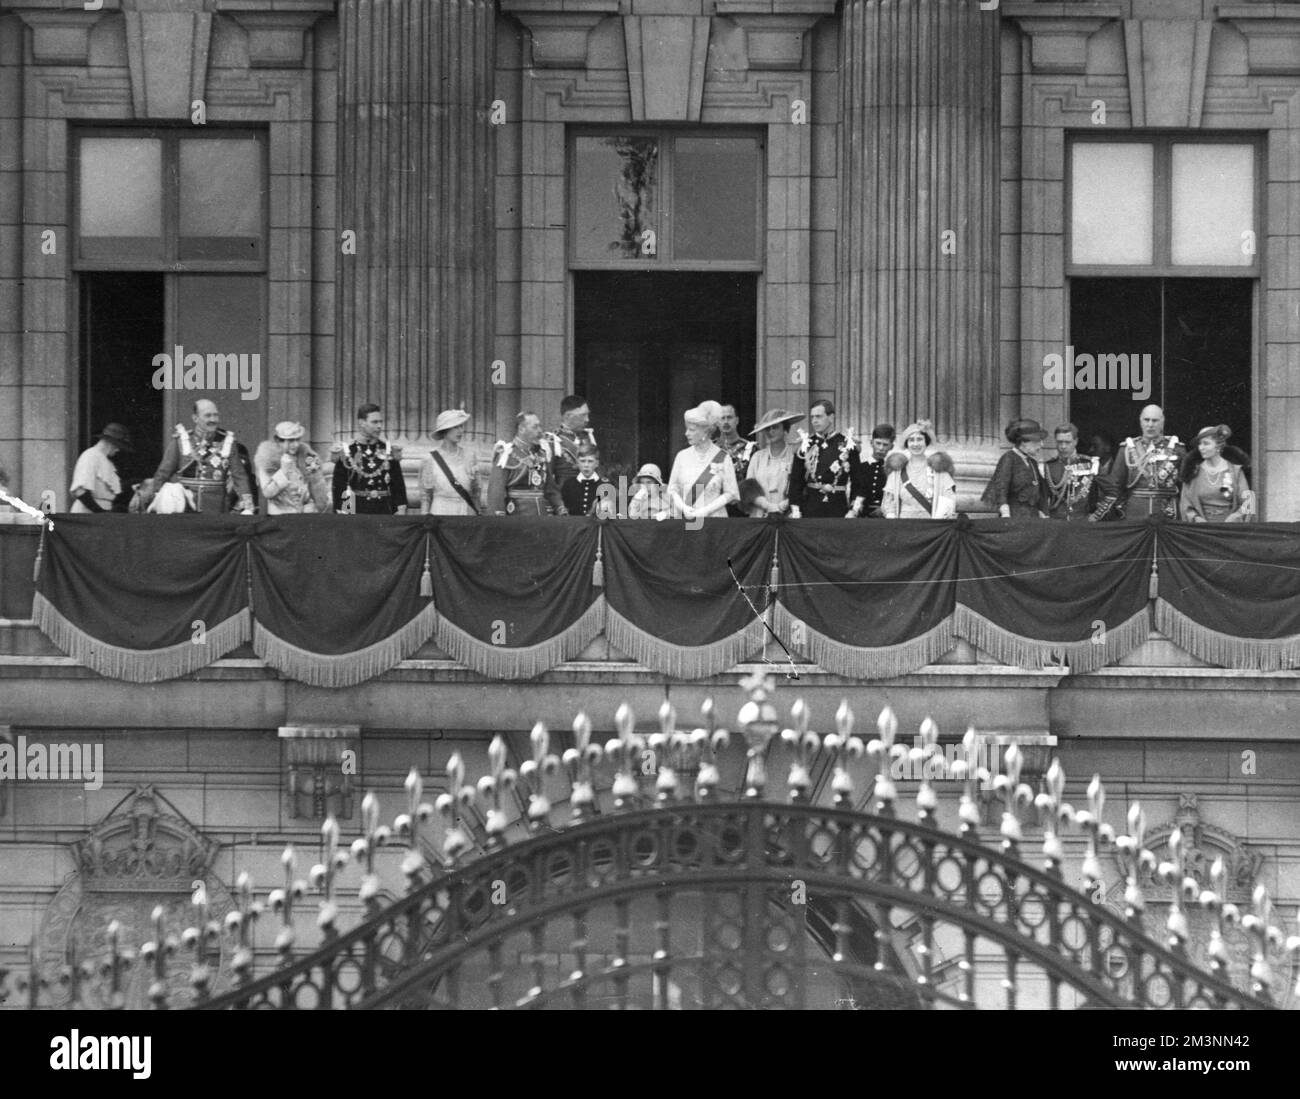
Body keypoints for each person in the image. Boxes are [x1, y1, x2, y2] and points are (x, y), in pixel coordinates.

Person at [138, 400, 254, 514]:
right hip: (185, 508)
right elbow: (162, 474)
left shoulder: (227, 442)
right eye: (208, 416)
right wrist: (158, 500)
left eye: (215, 415)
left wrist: (248, 506)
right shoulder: (181, 441)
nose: (213, 419)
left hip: (216, 509)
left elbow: (239, 476)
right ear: (195, 418)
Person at [1090, 405, 1185, 521]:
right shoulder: (1127, 449)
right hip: (1135, 512)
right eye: (1146, 420)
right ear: (1140, 421)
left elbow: (1185, 486)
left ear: (1162, 422)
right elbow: (1115, 486)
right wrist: (1117, 509)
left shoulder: (1177, 449)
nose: (1150, 424)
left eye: (1155, 420)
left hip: (1167, 512)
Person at [666, 401, 740, 521]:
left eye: (691, 430)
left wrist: (705, 511)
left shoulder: (723, 457)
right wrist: (684, 508)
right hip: (687, 519)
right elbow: (672, 490)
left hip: (715, 521)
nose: (686, 433)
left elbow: (731, 493)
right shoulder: (682, 456)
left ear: (705, 432)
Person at [788, 400, 864, 518]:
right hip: (810, 510)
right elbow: (795, 483)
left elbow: (859, 484)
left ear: (831, 417)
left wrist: (854, 510)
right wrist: (796, 510)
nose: (814, 421)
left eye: (818, 416)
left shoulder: (848, 444)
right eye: (812, 417)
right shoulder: (805, 445)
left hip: (840, 511)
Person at [332, 403, 407, 515]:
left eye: (381, 422)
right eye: (375, 422)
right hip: (357, 514)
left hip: (385, 512)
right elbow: (341, 487)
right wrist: (345, 516)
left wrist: (400, 510)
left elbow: (398, 486)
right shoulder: (347, 451)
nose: (379, 426)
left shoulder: (388, 450)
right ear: (362, 423)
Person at [488, 411, 568, 516]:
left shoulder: (542, 454)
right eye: (535, 427)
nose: (540, 430)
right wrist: (498, 518)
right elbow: (496, 492)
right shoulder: (506, 454)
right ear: (521, 429)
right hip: (517, 517)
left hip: (542, 516)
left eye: (540, 426)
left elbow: (550, 488)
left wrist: (560, 508)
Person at [1179, 424, 1255, 523]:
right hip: (1200, 530)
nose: (1201, 448)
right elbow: (1185, 504)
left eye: (1206, 443)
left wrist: (1235, 518)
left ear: (1218, 446)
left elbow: (1249, 503)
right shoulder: (1192, 472)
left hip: (1229, 530)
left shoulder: (1236, 471)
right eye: (1199, 444)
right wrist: (1196, 519)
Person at [881, 420, 957, 519]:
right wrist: (892, 518)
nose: (915, 444)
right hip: (904, 526)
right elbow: (888, 501)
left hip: (930, 526)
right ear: (907, 444)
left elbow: (948, 499)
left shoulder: (938, 470)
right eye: (911, 440)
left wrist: (938, 522)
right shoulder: (897, 471)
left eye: (919, 439)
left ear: (926, 442)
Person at [254, 422, 330, 515]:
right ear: (279, 441)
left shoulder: (306, 457)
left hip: (302, 517)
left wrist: (313, 505)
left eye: (297, 440)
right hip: (279, 516)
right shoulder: (267, 459)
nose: (296, 444)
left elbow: (315, 488)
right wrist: (283, 472)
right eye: (291, 441)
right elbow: (268, 493)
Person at [739, 408, 803, 517]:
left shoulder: (795, 455)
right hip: (759, 516)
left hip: (787, 516)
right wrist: (767, 506)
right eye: (767, 428)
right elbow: (748, 488)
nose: (770, 432)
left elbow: (800, 486)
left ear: (785, 430)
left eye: (775, 427)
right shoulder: (757, 457)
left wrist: (784, 505)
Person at [982, 419, 1048, 519]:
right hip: (1015, 518)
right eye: (1037, 441)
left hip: (1033, 518)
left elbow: (1039, 493)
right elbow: (1001, 489)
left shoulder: (1032, 463)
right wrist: (1006, 516)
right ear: (1024, 442)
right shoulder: (1009, 459)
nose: (1041, 445)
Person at [419, 409, 481, 515]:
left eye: (461, 426)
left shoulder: (470, 456)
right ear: (445, 430)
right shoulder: (430, 459)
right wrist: (425, 521)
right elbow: (426, 496)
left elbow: (476, 492)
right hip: (440, 513)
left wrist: (476, 515)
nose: (461, 431)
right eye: (456, 427)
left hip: (465, 513)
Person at [1042, 423, 1100, 522]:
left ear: (1076, 441)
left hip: (1083, 520)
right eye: (1059, 442)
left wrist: (1096, 514)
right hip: (1056, 521)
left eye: (1067, 442)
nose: (1063, 446)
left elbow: (1100, 492)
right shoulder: (1048, 466)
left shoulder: (1090, 464)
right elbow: (1043, 496)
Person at [69, 423, 132, 513]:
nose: (118, 449)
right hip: (87, 512)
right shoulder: (90, 455)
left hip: (102, 512)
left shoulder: (106, 461)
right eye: (118, 445)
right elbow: (80, 490)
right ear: (110, 442)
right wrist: (99, 512)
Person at [542, 395, 595, 488]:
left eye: (587, 415)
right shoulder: (553, 441)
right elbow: (547, 481)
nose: (587, 420)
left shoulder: (588, 438)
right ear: (568, 416)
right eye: (583, 415)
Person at [853, 424, 895, 518]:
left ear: (891, 446)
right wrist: (854, 510)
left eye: (885, 445)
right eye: (878, 443)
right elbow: (857, 491)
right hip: (863, 516)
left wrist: (883, 509)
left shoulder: (893, 469)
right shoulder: (862, 467)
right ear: (871, 443)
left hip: (886, 515)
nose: (881, 448)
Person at [561, 444, 614, 518]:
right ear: (577, 463)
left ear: (597, 463)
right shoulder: (568, 484)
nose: (586, 465)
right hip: (573, 526)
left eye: (590, 461)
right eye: (582, 461)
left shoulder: (605, 484)